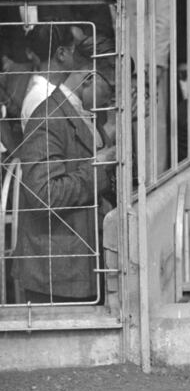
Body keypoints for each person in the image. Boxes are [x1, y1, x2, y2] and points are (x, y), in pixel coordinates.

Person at [11, 56, 115, 304]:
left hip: (75, 267)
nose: (111, 100)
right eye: (110, 91)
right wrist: (100, 167)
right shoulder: (49, 116)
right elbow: (44, 196)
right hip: (56, 275)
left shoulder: (85, 116)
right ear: (89, 79)